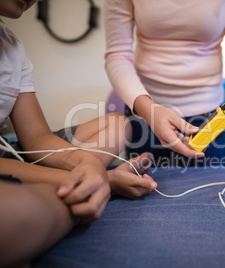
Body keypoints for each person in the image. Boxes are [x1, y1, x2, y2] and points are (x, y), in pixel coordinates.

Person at [0, 0, 156, 265]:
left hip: (12, 151)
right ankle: (99, 184)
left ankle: (87, 183)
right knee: (16, 216)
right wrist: (102, 178)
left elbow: (37, 139)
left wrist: (89, 163)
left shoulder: (13, 47)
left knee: (119, 124)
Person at [104, 0, 225, 166]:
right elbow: (118, 54)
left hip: (207, 117)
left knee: (209, 191)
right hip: (145, 115)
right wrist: (147, 109)